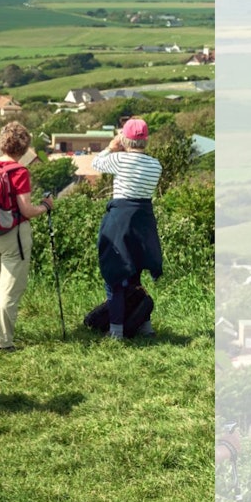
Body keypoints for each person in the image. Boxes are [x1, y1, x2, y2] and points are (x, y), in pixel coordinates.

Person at [0, 121, 53, 352]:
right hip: (13, 233)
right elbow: (26, 210)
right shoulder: (19, 172)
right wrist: (45, 207)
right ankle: (3, 342)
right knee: (10, 289)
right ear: (24, 148)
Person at [90, 117, 163, 340]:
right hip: (144, 220)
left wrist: (111, 147)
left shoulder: (119, 159)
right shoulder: (155, 165)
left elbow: (96, 164)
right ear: (146, 140)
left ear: (124, 138)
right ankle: (145, 326)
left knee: (115, 274)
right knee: (135, 274)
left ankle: (116, 331)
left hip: (120, 219)